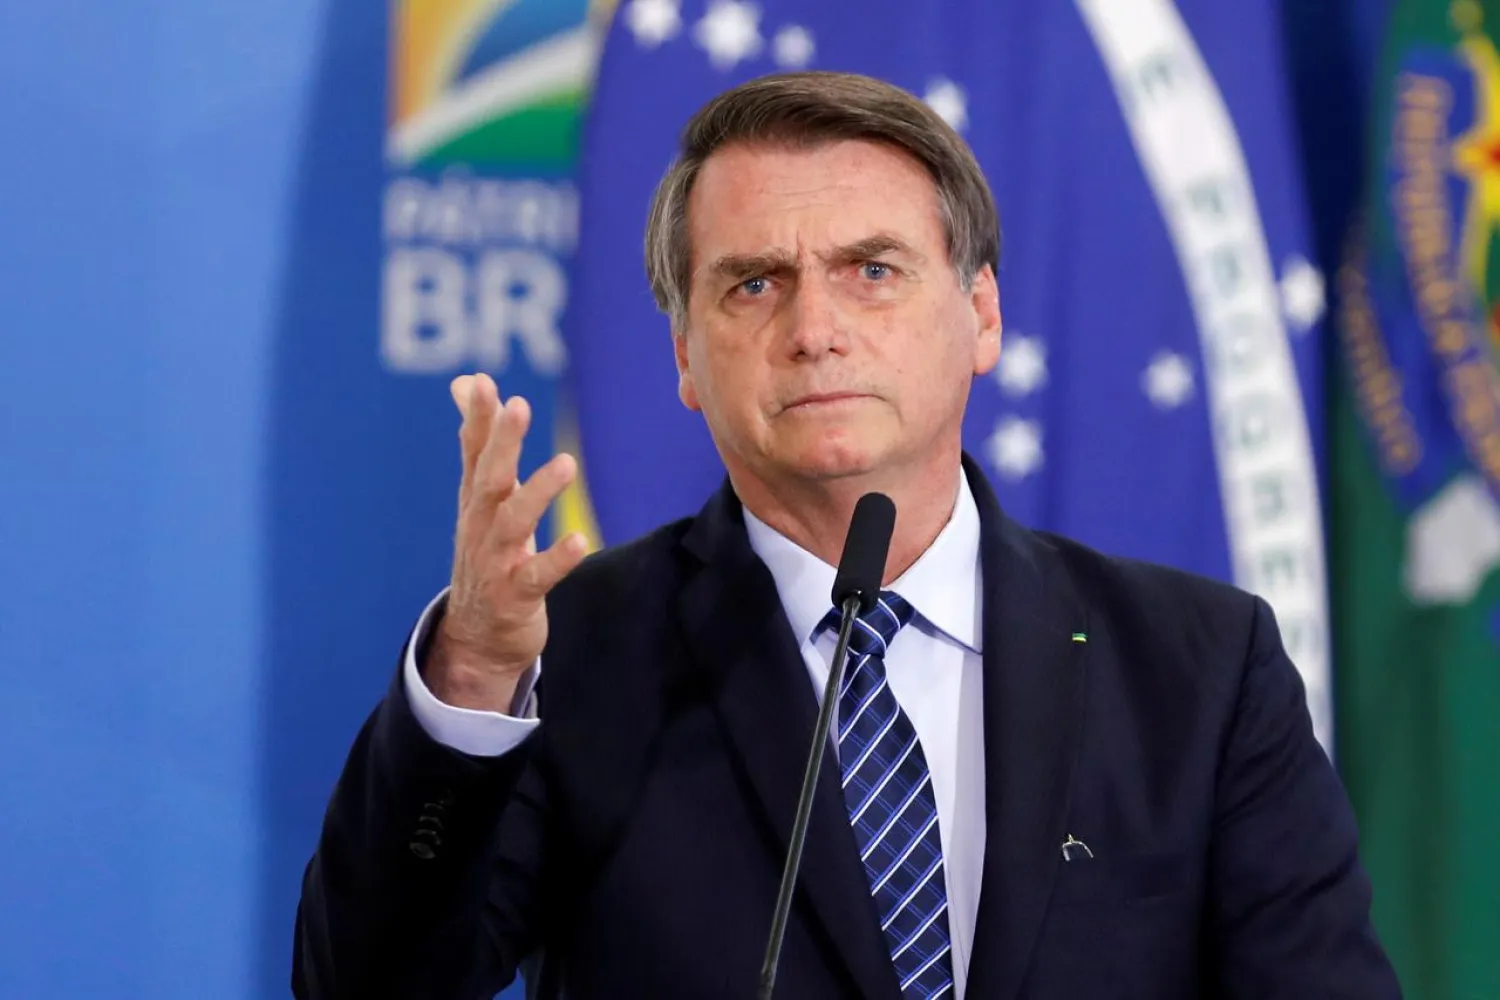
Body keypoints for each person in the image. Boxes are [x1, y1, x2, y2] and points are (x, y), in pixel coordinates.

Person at [292, 71, 1401, 999]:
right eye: (753, 285)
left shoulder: (1197, 668)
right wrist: (482, 668)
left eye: (872, 272)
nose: (813, 331)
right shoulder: (570, 656)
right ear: (683, 354)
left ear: (981, 315)